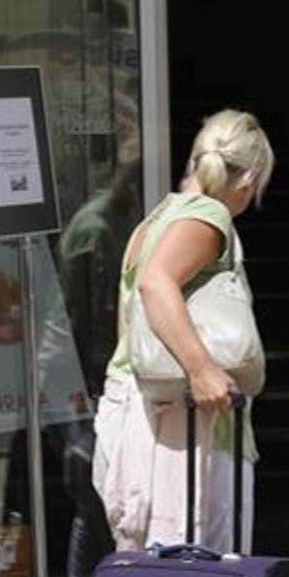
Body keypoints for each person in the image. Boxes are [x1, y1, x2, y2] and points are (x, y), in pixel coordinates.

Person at [92, 108, 275, 554]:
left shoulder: (158, 218)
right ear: (249, 178)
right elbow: (157, 283)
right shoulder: (209, 216)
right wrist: (201, 368)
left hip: (140, 414)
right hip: (191, 426)